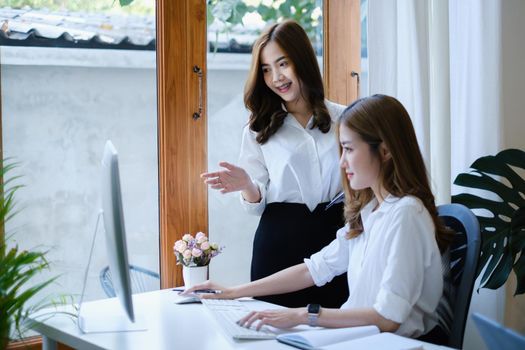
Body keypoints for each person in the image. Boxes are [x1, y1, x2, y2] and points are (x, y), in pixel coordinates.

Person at [189, 95, 454, 342]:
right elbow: (313, 269)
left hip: (394, 343)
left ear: (384, 152)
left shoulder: (406, 214)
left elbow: (388, 319)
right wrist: (235, 291)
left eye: (349, 149)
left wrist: (304, 315)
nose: (342, 162)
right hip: (362, 339)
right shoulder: (369, 212)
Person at [201, 20, 348, 308]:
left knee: (336, 328)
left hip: (335, 239)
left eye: (283, 64)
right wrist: (246, 186)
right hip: (279, 243)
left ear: (302, 60)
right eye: (266, 70)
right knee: (272, 331)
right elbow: (257, 203)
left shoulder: (344, 119)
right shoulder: (258, 130)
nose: (276, 77)